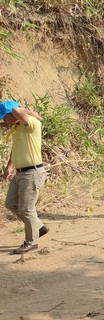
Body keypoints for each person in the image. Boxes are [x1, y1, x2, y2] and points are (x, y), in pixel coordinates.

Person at [1, 101, 48, 254]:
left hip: (32, 172)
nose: (4, 121)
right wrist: (9, 167)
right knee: (11, 204)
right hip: (20, 172)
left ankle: (31, 242)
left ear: (13, 114)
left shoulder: (31, 123)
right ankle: (39, 227)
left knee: (27, 208)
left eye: (5, 117)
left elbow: (17, 110)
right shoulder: (17, 127)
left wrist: (25, 111)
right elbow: (16, 148)